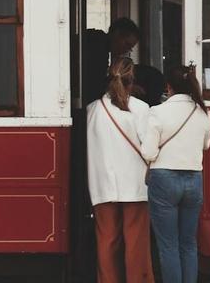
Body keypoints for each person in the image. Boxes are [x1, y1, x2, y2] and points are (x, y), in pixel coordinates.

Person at [141, 65, 210, 283]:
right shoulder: (203, 111)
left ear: (168, 87)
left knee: (168, 244)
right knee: (189, 243)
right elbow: (206, 145)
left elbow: (148, 151)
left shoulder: (157, 112)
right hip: (194, 179)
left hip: (164, 179)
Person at [86, 57, 154, 283]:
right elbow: (148, 149)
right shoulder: (141, 109)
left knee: (106, 241)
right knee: (135, 242)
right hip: (135, 184)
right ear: (132, 80)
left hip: (102, 184)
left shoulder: (92, 110)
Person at [83, 18, 141, 105]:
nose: (126, 50)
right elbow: (95, 83)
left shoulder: (101, 45)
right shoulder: (97, 47)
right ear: (117, 34)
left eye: (130, 48)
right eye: (127, 44)